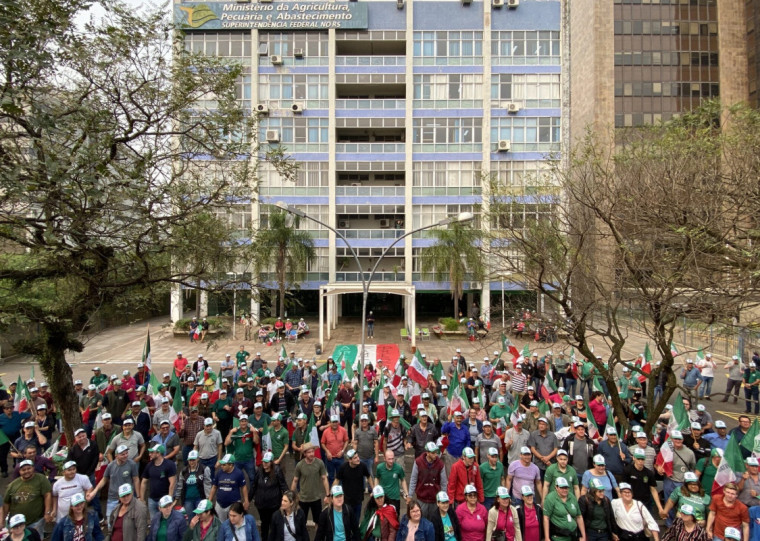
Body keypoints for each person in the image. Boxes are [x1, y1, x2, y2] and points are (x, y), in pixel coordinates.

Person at [1, 459, 53, 538]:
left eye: (29, 468)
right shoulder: (13, 485)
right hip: (16, 523)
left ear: (33, 468)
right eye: (23, 470)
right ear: (19, 471)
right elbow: (6, 503)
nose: (26, 471)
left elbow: (47, 495)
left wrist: (47, 513)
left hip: (35, 521)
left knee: (36, 538)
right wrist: (3, 520)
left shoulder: (41, 479)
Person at [290, 442, 330, 526]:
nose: (312, 454)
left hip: (316, 498)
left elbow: (324, 479)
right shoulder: (300, 465)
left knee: (318, 522)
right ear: (304, 454)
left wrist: (328, 495)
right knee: (301, 522)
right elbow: (295, 481)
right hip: (303, 499)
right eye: (309, 452)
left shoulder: (320, 463)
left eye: (312, 451)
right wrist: (291, 496)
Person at [251, 451, 287, 541]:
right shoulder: (259, 471)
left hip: (274, 505)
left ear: (271, 462)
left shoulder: (277, 471)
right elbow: (254, 486)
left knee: (274, 524)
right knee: (264, 524)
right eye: (263, 461)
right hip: (262, 505)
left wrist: (287, 500)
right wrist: (248, 499)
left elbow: (283, 486)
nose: (264, 464)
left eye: (266, 462)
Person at [409, 442, 447, 520]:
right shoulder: (418, 462)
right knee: (421, 521)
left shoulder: (440, 464)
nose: (435, 455)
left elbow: (443, 483)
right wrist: (410, 495)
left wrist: (444, 499)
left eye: (436, 452)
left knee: (434, 522)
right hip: (421, 499)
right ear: (427, 453)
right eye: (433, 453)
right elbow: (413, 479)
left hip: (435, 500)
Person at [336, 449, 372, 530]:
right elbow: (337, 480)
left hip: (358, 500)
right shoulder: (343, 468)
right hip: (347, 501)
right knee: (347, 522)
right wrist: (331, 494)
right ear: (350, 460)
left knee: (356, 521)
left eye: (357, 456)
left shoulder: (362, 466)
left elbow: (369, 476)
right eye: (355, 458)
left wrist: (373, 489)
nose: (358, 459)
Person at [140, 444, 177, 519]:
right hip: (152, 499)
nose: (149, 454)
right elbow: (143, 482)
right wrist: (142, 499)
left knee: (167, 520)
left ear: (158, 453)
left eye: (152, 452)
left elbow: (172, 483)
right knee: (154, 522)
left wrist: (169, 499)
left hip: (165, 499)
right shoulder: (149, 466)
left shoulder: (169, 465)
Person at [209, 454, 248, 521]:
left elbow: (243, 487)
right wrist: (209, 500)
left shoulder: (239, 473)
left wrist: (246, 500)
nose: (222, 466)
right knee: (220, 524)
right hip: (220, 504)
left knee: (234, 523)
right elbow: (214, 486)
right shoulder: (219, 473)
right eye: (221, 464)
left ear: (231, 465)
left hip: (233, 504)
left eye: (224, 465)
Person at [376, 449, 409, 518]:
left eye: (392, 459)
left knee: (395, 518)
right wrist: (375, 490)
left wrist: (406, 494)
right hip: (383, 498)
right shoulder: (379, 468)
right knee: (383, 518)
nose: (391, 461)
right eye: (389, 459)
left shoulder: (398, 468)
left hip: (395, 498)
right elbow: (377, 478)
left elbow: (403, 480)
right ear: (384, 458)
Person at [321, 413, 349, 486]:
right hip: (330, 458)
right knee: (331, 476)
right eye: (333, 422)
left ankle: (340, 492)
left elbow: (346, 440)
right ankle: (332, 492)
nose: (334, 424)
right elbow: (323, 443)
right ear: (330, 423)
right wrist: (327, 452)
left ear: (338, 422)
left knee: (341, 476)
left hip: (340, 457)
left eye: (336, 422)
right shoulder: (326, 432)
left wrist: (342, 451)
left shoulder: (343, 430)